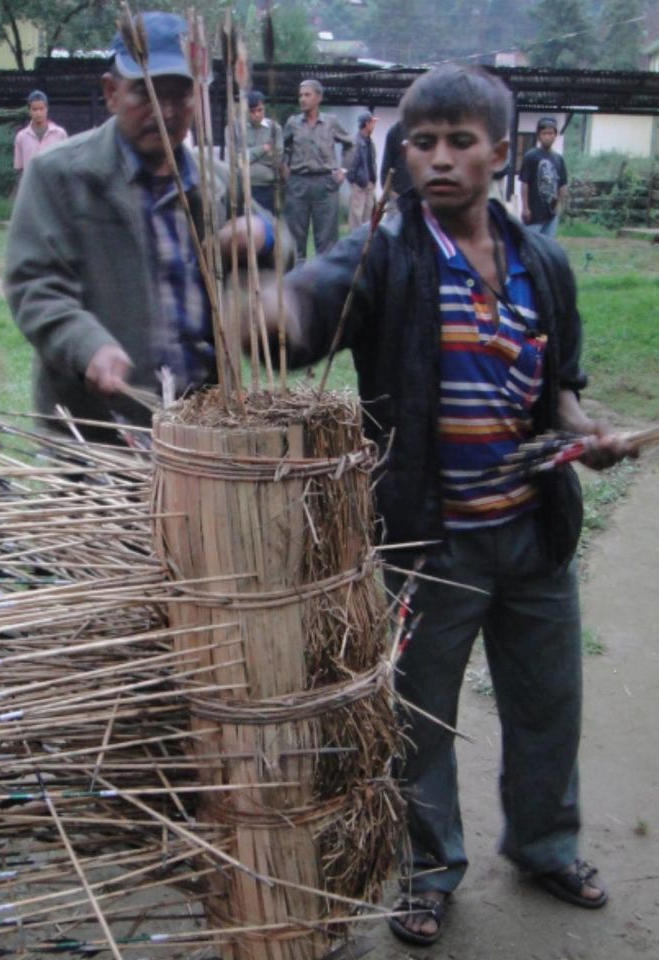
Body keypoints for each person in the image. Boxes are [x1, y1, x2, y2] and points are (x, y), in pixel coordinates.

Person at [261, 64, 628, 947]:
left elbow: (563, 392)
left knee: (548, 704)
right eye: (421, 142)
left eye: (461, 142)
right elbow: (299, 313)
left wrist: (588, 432)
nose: (438, 158)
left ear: (501, 154)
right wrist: (264, 291)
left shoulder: (545, 263)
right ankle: (428, 873)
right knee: (419, 717)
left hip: (533, 536)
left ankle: (545, 845)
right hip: (431, 542)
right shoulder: (384, 254)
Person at [5, 12, 291, 438]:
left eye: (181, 96)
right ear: (112, 91)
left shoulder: (215, 181)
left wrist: (263, 235)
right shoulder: (60, 174)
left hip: (200, 432)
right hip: (99, 433)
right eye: (148, 94)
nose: (167, 112)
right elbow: (35, 285)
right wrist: (87, 346)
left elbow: (281, 245)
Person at [281, 78, 350, 257]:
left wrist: (343, 170)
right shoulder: (293, 123)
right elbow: (282, 147)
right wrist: (284, 167)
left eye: (307, 95)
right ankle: (296, 281)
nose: (302, 99)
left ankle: (323, 282)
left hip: (326, 184)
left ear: (318, 97)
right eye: (300, 95)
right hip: (298, 184)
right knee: (295, 238)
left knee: (327, 241)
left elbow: (350, 144)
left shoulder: (331, 122)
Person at [519, 116, 568, 237]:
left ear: (555, 135)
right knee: (532, 246)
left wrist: (559, 205)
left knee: (548, 246)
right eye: (544, 133)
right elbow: (524, 183)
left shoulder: (559, 159)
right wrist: (525, 208)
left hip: (551, 214)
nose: (547, 136)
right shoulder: (531, 156)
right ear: (539, 136)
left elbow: (562, 185)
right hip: (534, 213)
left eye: (550, 133)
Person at [12, 90, 67, 190]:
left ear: (47, 109)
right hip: (30, 189)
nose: (38, 113)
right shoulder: (21, 136)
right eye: (34, 109)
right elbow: (19, 169)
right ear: (29, 111)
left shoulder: (60, 134)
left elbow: (65, 164)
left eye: (41, 109)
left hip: (54, 187)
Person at [243, 90, 283, 213]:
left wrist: (250, 156)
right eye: (252, 111)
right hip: (242, 187)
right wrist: (264, 149)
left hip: (267, 188)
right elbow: (237, 159)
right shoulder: (236, 128)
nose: (257, 114)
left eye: (260, 110)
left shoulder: (274, 128)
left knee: (267, 227)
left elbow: (277, 158)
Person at [346, 110, 378, 230]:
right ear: (366, 124)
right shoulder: (355, 141)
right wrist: (355, 181)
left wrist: (373, 181)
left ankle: (365, 245)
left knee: (368, 217)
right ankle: (355, 244)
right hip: (359, 185)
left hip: (369, 184)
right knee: (356, 217)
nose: (374, 126)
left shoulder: (370, 142)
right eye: (372, 122)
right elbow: (350, 164)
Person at [380, 118, 413, 204]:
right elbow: (386, 168)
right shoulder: (395, 131)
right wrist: (391, 193)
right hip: (398, 197)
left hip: (421, 199)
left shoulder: (426, 129)